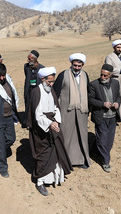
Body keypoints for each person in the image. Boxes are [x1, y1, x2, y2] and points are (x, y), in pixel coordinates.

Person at [27, 67, 73, 196]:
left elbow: (56, 108)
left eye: (52, 82)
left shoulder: (50, 90)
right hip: (40, 129)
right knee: (43, 155)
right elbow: (37, 115)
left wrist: (57, 121)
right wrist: (49, 123)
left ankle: (54, 178)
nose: (51, 84)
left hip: (52, 125)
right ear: (43, 79)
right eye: (49, 82)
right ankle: (40, 182)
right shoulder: (36, 92)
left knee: (56, 150)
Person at [53, 53, 91, 169]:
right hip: (66, 112)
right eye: (75, 65)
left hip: (81, 112)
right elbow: (55, 93)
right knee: (67, 136)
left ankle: (81, 160)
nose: (77, 68)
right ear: (71, 64)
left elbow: (88, 92)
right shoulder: (63, 75)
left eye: (79, 66)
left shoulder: (85, 75)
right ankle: (66, 161)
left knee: (81, 136)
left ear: (82, 65)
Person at [88, 64, 121, 173]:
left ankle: (95, 151)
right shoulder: (94, 84)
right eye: (101, 75)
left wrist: (117, 103)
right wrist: (103, 104)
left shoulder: (116, 83)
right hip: (101, 117)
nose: (102, 77)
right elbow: (90, 100)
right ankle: (106, 161)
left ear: (110, 75)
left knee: (109, 140)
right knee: (102, 139)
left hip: (112, 117)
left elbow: (118, 96)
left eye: (105, 76)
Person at [23, 50, 45, 128]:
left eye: (30, 59)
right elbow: (27, 75)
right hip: (29, 90)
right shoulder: (26, 66)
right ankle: (28, 123)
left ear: (35, 59)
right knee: (28, 105)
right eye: (28, 59)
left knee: (37, 107)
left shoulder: (42, 68)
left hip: (37, 91)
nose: (28, 60)